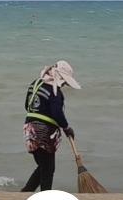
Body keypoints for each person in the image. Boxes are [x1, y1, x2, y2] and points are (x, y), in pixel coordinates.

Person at [21, 60, 80, 192]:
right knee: (48, 168)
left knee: (43, 166)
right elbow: (57, 113)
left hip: (29, 129)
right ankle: (45, 195)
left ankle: (25, 192)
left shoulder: (35, 84)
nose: (63, 84)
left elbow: (27, 105)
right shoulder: (54, 91)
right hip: (43, 132)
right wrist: (67, 128)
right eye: (64, 82)